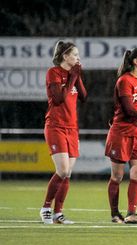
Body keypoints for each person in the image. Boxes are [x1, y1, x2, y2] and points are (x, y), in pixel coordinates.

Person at [40, 40, 87, 224]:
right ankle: (45, 207)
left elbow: (84, 97)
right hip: (56, 126)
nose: (78, 58)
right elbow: (59, 99)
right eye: (75, 54)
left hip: (72, 128)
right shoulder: (53, 73)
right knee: (63, 169)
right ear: (65, 56)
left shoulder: (72, 74)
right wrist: (72, 77)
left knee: (68, 174)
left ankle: (58, 213)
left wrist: (77, 76)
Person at [105, 48, 137, 224]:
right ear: (136, 62)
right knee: (117, 177)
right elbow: (129, 109)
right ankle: (115, 213)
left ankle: (132, 213)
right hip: (122, 133)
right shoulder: (124, 81)